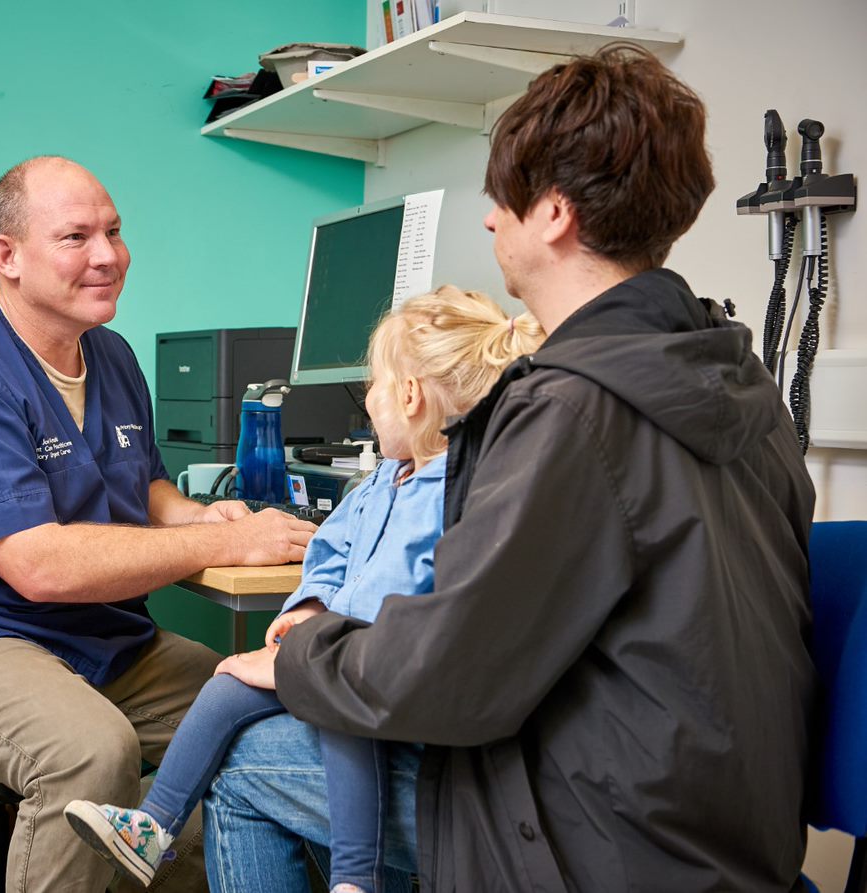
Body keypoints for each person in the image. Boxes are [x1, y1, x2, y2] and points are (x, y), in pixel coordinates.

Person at [203, 44, 818, 893]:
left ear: (555, 213)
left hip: (597, 846)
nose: (491, 221)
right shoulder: (741, 382)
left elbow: (450, 676)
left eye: (503, 200)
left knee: (241, 758)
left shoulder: (572, 410)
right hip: (716, 831)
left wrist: (307, 653)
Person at [0, 155, 318, 893]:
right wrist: (228, 540)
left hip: (86, 634)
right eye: (75, 237)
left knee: (269, 705)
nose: (107, 256)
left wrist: (196, 514)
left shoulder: (111, 356)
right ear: (9, 257)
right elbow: (39, 563)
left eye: (115, 232)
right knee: (89, 751)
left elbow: (141, 483)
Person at [63, 287, 544, 893]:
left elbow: (393, 618)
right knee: (227, 683)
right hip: (338, 658)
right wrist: (310, 605)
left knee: (332, 715)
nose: (365, 400)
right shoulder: (382, 482)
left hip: (380, 690)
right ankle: (152, 828)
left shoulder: (457, 493)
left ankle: (355, 878)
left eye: (371, 384)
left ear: (411, 396)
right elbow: (330, 549)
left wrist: (309, 653)